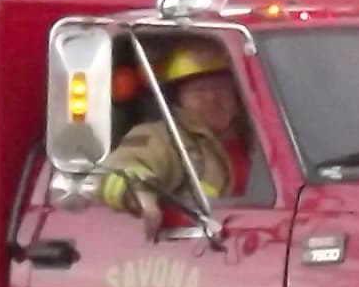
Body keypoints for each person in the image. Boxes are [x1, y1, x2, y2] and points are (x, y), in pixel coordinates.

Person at [97, 38, 258, 225]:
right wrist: (139, 194)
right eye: (199, 89)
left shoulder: (262, 135)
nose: (212, 98)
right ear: (178, 98)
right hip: (201, 243)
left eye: (220, 87)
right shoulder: (161, 137)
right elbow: (119, 167)